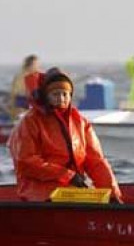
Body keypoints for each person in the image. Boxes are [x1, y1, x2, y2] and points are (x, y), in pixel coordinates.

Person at [8, 68, 122, 203]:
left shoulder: (80, 122)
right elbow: (25, 161)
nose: (61, 98)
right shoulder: (29, 122)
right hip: (39, 194)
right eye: (55, 94)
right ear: (46, 96)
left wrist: (113, 194)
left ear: (71, 95)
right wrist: (66, 175)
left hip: (72, 192)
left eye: (65, 94)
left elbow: (96, 162)